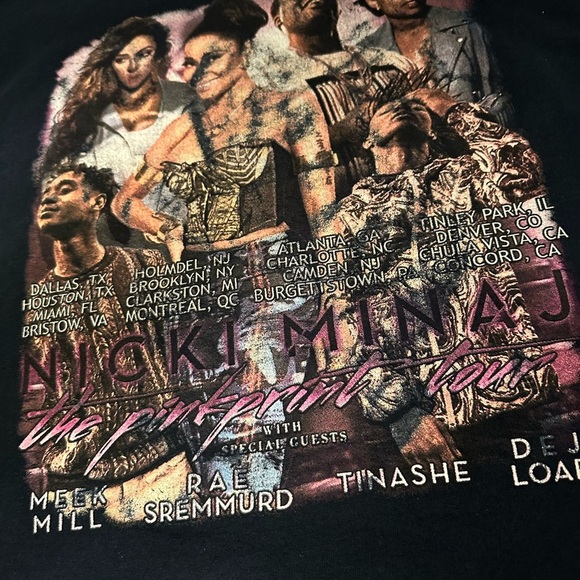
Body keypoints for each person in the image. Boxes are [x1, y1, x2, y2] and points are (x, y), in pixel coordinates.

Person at [111, 0, 341, 493]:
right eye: (189, 63)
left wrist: (336, 292)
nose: (195, 72)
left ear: (245, 52)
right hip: (196, 282)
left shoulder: (289, 106)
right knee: (202, 411)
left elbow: (322, 209)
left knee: (256, 409)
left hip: (271, 270)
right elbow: (124, 203)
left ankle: (260, 512)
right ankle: (221, 516)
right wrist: (166, 227)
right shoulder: (183, 128)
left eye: (210, 57)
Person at [336, 89, 557, 459]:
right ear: (367, 141)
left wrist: (447, 106)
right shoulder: (346, 215)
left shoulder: (465, 177)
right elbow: (341, 316)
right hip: (431, 421)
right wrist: (401, 415)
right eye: (385, 108)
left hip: (519, 399)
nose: (401, 107)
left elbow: (523, 168)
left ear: (432, 132)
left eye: (414, 106)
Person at [20, 164, 189, 521]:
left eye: (64, 188)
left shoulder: (145, 265)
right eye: (47, 192)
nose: (48, 198)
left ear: (97, 202)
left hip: (155, 465)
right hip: (72, 479)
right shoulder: (34, 302)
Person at [39, 17, 194, 244]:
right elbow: (60, 184)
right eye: (121, 59)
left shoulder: (186, 100)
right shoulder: (89, 119)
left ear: (158, 57)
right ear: (111, 64)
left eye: (143, 54)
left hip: (189, 232)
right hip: (119, 240)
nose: (132, 67)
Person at [269, 0, 422, 199]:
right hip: (340, 207)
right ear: (279, 20)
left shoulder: (392, 62)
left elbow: (438, 125)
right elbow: (271, 162)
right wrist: (343, 130)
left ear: (338, 9)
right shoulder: (272, 81)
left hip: (416, 195)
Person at [355, 0, 514, 125]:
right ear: (372, 1)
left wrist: (470, 117)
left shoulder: (465, 27)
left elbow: (506, 99)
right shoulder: (365, 55)